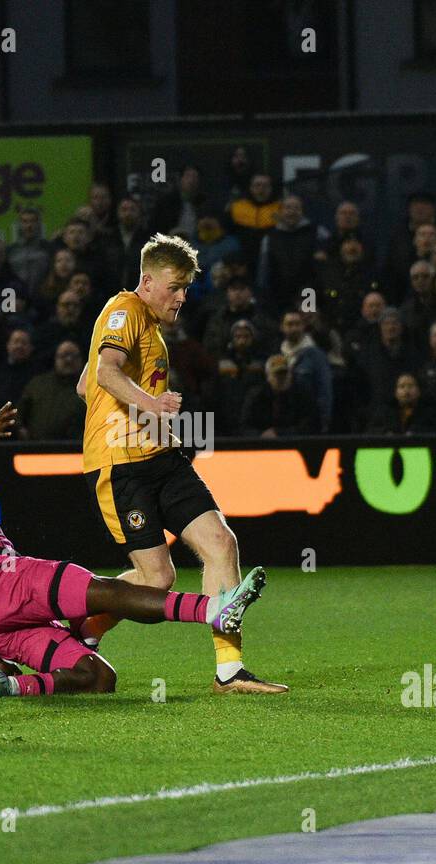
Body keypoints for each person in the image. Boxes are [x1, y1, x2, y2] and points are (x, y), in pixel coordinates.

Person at [0, 405, 266, 698]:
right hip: (5, 582)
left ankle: (13, 687)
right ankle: (211, 611)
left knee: (99, 679)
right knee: (107, 592)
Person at [75, 232, 288, 694]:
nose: (181, 297)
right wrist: (149, 406)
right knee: (157, 579)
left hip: (161, 458)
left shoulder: (148, 328)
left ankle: (229, 671)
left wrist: (158, 427)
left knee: (220, 543)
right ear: (146, 281)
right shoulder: (123, 311)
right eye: (174, 286)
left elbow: (86, 385)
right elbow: (106, 372)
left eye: (187, 288)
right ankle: (78, 624)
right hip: (120, 464)